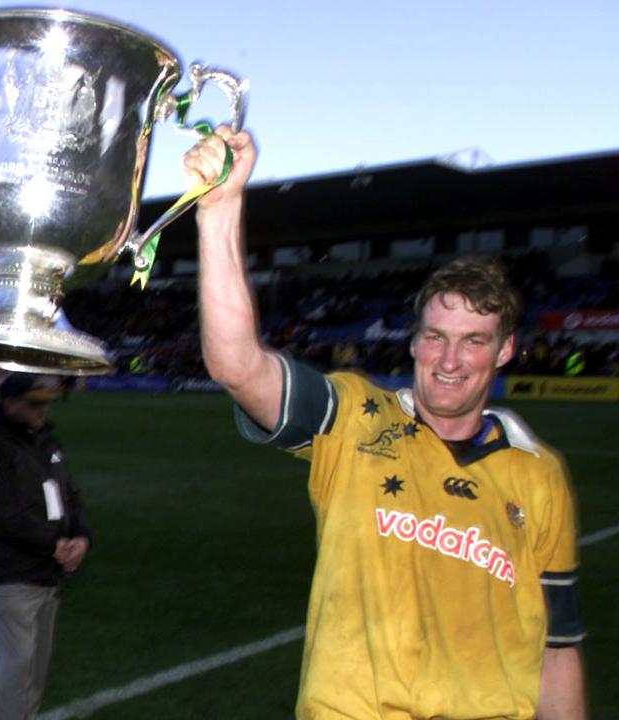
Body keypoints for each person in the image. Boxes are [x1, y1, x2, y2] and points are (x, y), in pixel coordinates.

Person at [187, 128, 587, 718]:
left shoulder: (539, 473)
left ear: (504, 351)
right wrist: (219, 212)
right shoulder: (354, 418)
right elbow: (239, 366)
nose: (449, 362)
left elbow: (559, 650)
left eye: (473, 342)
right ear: (416, 340)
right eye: (436, 337)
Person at [0, 373, 91, 720]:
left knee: (34, 671)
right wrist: (54, 545)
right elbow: (3, 516)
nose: (41, 410)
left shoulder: (47, 442)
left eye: (45, 403)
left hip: (47, 574)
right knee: (18, 666)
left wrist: (81, 537)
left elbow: (72, 495)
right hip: (10, 575)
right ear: (9, 402)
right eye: (34, 403)